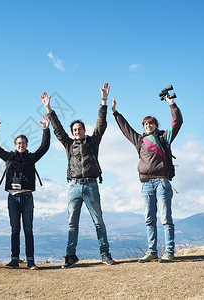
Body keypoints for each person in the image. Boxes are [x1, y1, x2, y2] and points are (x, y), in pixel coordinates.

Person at [41, 83, 115, 268]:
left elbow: (101, 123)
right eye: (74, 130)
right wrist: (49, 108)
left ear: (84, 130)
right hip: (73, 187)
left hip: (91, 185)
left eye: (79, 129)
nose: (77, 132)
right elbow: (57, 129)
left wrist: (103, 101)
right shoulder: (68, 144)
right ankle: (71, 256)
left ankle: (105, 254)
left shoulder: (93, 141)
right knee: (72, 224)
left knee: (99, 222)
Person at [111, 94, 183, 263]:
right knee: (149, 219)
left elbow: (177, 122)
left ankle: (169, 252)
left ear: (156, 125)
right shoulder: (139, 140)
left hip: (162, 182)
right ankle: (152, 251)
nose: (148, 125)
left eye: (151, 123)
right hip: (145, 184)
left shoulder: (164, 137)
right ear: (143, 126)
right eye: (145, 124)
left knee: (166, 219)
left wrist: (172, 104)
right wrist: (115, 112)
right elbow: (125, 128)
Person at [0, 114, 50, 270]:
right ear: (15, 144)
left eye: (23, 143)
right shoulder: (9, 157)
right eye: (18, 143)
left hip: (27, 197)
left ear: (27, 144)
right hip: (12, 197)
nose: (21, 145)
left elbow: (44, 147)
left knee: (28, 230)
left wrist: (46, 129)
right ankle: (14, 260)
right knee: (15, 230)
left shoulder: (31, 158)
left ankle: (30, 261)